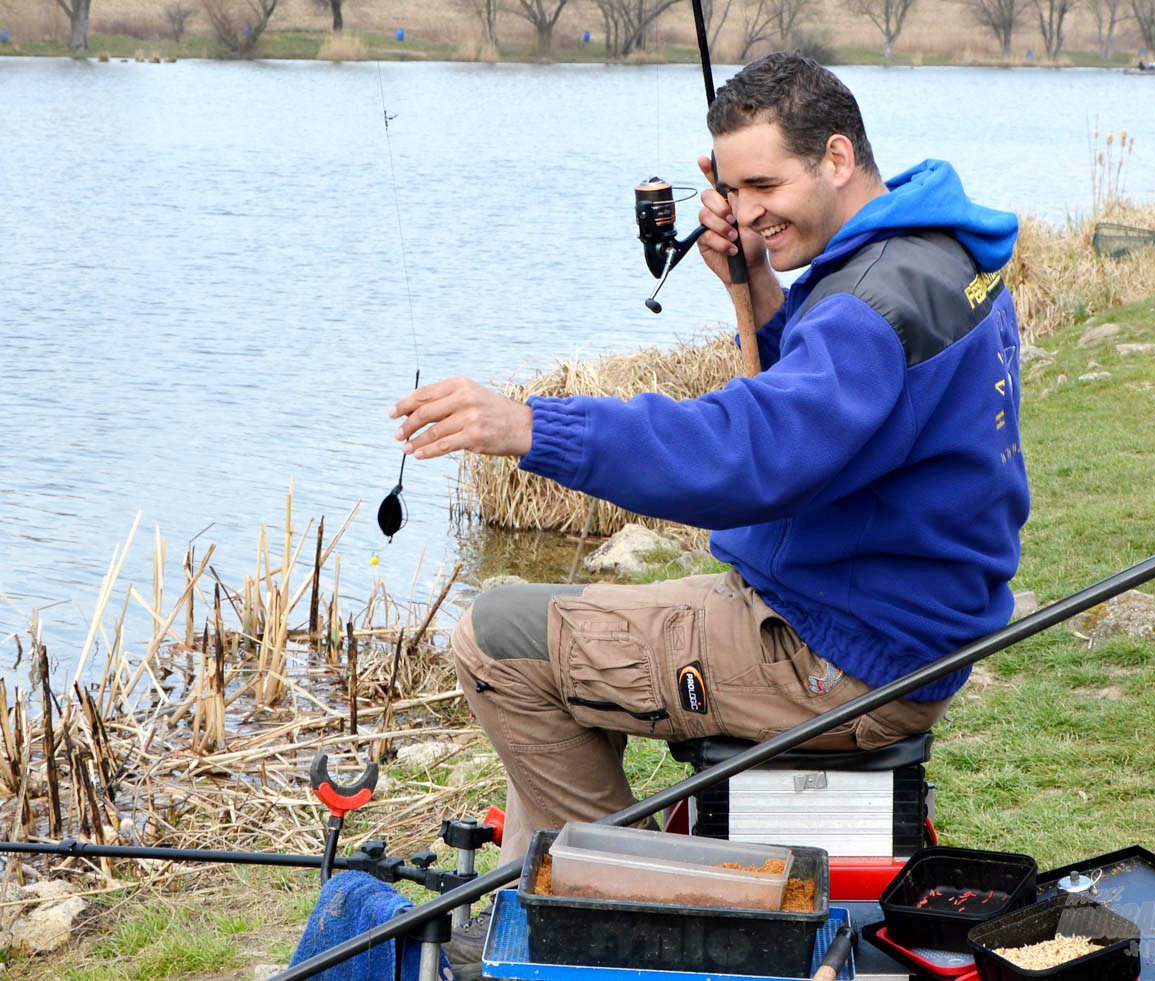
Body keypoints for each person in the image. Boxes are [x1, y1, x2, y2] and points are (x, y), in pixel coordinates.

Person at [390, 52, 1029, 962]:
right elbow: (831, 406)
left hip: (840, 651)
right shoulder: (939, 250)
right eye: (731, 188)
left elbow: (743, 451)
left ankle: (624, 932)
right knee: (547, 645)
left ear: (837, 157)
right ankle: (546, 911)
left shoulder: (868, 303)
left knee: (496, 636)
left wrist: (526, 424)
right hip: (895, 611)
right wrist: (752, 288)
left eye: (766, 182)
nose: (750, 210)